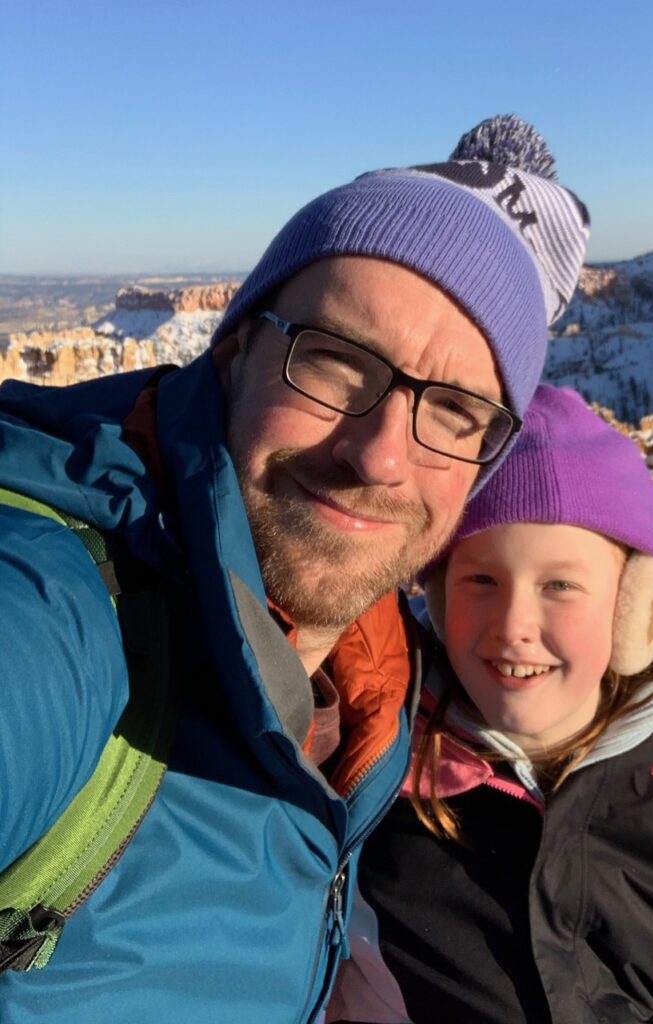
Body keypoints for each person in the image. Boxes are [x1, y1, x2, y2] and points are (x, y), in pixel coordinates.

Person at [0, 116, 590, 1022]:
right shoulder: (57, 612)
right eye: (338, 362)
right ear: (236, 352)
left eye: (458, 412)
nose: (383, 456)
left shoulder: (372, 682)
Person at [327, 385, 653, 1024]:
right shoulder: (377, 740)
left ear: (631, 610)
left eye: (560, 584)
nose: (514, 625)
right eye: (481, 579)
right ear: (440, 595)